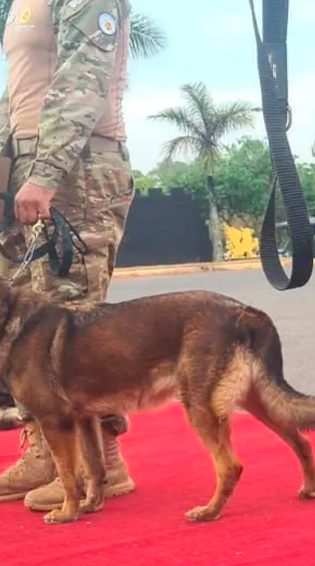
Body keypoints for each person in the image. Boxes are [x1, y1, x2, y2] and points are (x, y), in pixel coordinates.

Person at [0, 0, 137, 510]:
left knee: (73, 325)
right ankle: (47, 450)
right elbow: (17, 94)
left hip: (78, 168)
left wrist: (46, 173)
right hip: (29, 165)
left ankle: (102, 461)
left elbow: (84, 78)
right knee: (25, 329)